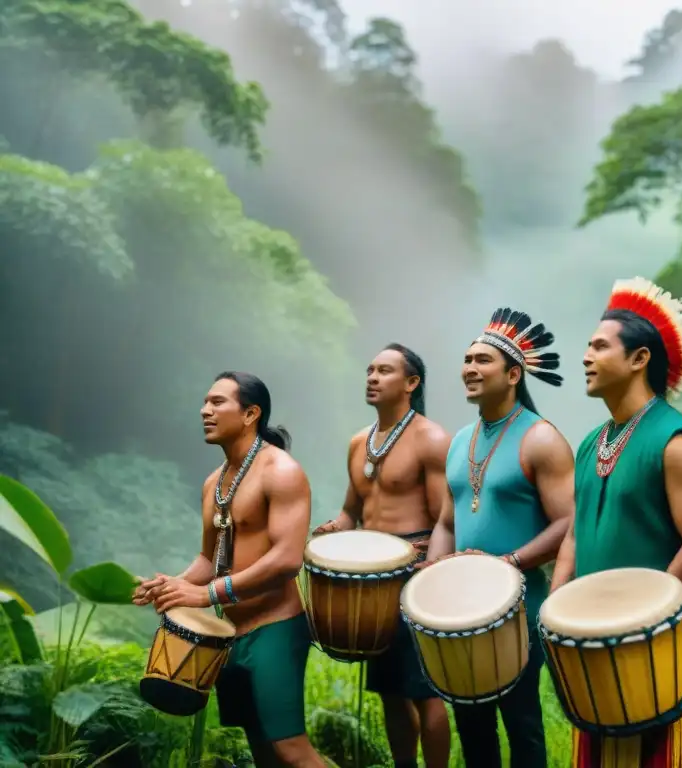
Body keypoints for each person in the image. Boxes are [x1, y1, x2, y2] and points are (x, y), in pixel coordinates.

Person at [550, 276, 682, 768]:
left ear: (639, 359)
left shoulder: (677, 440)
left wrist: (644, 618)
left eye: (599, 346)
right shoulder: (591, 443)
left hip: (663, 652)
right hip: (597, 645)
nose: (586, 356)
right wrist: (558, 609)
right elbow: (576, 532)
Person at [133, 371, 327, 768]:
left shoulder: (281, 471)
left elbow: (288, 559)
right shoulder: (213, 483)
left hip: (276, 628)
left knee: (290, 749)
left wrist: (206, 595)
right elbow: (210, 559)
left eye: (218, 402)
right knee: (261, 747)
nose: (206, 410)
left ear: (250, 413)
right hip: (229, 635)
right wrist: (173, 584)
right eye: (205, 401)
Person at [423, 307, 576, 768]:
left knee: (522, 723)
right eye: (467, 359)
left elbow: (568, 521)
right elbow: (447, 523)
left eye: (482, 360)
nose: (469, 368)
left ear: (513, 373)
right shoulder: (460, 441)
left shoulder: (542, 438)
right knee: (471, 726)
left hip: (519, 607)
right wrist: (432, 575)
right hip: (462, 608)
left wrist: (508, 563)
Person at [312, 343, 451, 768]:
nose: (372, 377)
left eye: (385, 371)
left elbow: (444, 517)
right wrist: (331, 531)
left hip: (415, 575)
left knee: (425, 690)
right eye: (370, 370)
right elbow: (351, 511)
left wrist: (424, 563)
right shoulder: (359, 442)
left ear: (411, 384)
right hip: (372, 584)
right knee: (390, 690)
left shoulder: (431, 438)